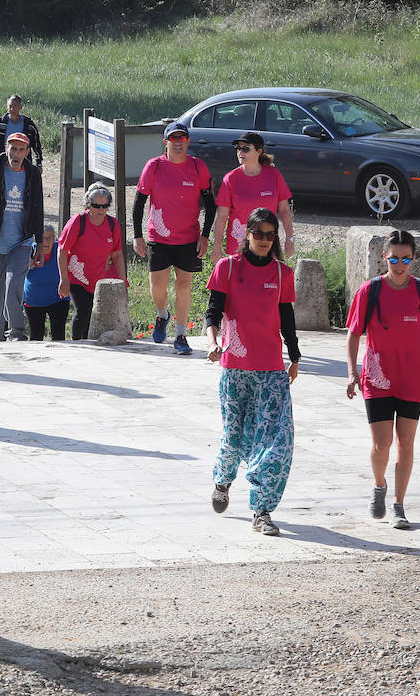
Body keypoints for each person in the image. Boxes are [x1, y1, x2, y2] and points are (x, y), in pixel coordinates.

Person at [205, 208, 300, 537]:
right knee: (234, 440)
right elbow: (213, 312)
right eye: (258, 233)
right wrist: (213, 342)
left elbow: (286, 318)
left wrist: (296, 356)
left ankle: (261, 510)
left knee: (277, 442)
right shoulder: (228, 267)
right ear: (247, 234)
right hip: (236, 371)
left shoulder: (282, 274)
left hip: (271, 370)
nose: (263, 239)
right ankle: (222, 479)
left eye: (270, 234)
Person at [345, 231, 420, 531]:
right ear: (384, 257)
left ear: (413, 259)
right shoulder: (370, 291)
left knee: (406, 443)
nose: (399, 264)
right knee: (382, 444)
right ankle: (379, 486)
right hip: (377, 378)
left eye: (405, 258)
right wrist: (352, 373)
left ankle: (399, 506)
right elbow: (353, 334)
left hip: (412, 379)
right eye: (394, 258)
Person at [133, 121, 216, 355]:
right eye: (173, 139)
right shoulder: (155, 166)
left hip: (188, 238)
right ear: (165, 142)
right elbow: (139, 201)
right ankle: (162, 315)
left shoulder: (198, 167)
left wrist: (205, 235)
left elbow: (210, 205)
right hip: (159, 237)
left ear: (188, 141)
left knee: (184, 286)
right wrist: (138, 235)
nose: (178, 143)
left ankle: (181, 334)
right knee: (157, 287)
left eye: (182, 139)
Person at [0, 132, 41, 343]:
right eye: (13, 149)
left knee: (14, 283)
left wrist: (39, 243)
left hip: (21, 241)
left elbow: (38, 209)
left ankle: (16, 333)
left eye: (21, 150)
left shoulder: (33, 174)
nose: (16, 154)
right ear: (6, 148)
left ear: (27, 151)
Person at [211, 131, 296, 264]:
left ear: (259, 151)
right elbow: (222, 216)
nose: (240, 152)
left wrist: (290, 239)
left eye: (245, 148)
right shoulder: (230, 179)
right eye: (238, 148)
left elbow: (285, 210)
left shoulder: (274, 175)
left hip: (267, 242)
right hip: (238, 245)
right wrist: (216, 246)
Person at [57, 183, 127, 341]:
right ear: (89, 205)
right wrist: (64, 279)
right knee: (84, 310)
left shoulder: (112, 224)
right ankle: (77, 343)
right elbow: (62, 250)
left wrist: (123, 282)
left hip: (98, 278)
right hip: (77, 275)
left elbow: (117, 255)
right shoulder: (78, 222)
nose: (101, 210)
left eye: (105, 206)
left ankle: (86, 343)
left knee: (93, 314)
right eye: (96, 206)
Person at [25, 227, 71, 341]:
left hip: (58, 299)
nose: (45, 242)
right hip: (34, 300)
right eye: (42, 238)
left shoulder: (61, 250)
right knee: (36, 337)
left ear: (54, 238)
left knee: (59, 337)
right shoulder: (29, 251)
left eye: (49, 238)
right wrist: (25, 265)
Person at [0, 95, 43, 167]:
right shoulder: (0, 123)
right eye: (10, 106)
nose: (12, 109)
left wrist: (39, 163)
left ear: (20, 107)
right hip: (2, 162)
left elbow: (36, 145)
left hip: (23, 163)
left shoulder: (28, 125)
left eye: (15, 106)